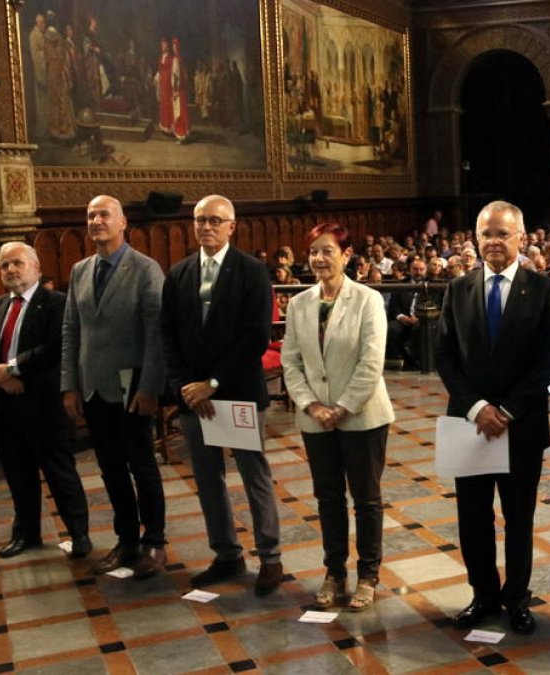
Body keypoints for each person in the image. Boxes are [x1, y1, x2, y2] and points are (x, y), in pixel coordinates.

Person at [437, 200, 550, 634]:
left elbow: (549, 363)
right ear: (476, 238)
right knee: (472, 518)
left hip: (521, 425)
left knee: (518, 519)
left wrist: (506, 410)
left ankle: (516, 599)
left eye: (502, 234)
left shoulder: (545, 290)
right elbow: (445, 358)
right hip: (468, 424)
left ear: (521, 238)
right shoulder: (458, 289)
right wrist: (477, 408)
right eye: (486, 233)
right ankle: (483, 594)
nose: (493, 241)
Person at [160, 194, 284, 596]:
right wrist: (185, 385)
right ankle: (226, 554)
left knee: (253, 474)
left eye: (215, 220)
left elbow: (254, 337)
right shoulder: (178, 274)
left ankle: (270, 556)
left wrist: (212, 383)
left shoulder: (251, 272)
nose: (207, 227)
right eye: (200, 220)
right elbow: (168, 335)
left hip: (236, 392)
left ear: (232, 226)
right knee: (207, 478)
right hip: (193, 397)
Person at [281, 222, 394, 611]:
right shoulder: (299, 304)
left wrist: (342, 407)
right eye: (313, 251)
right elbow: (290, 362)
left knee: (366, 499)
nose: (318, 258)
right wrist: (312, 406)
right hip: (316, 419)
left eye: (327, 250)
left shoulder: (367, 300)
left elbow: (371, 361)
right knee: (328, 498)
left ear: (347, 255)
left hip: (362, 416)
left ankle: (368, 574)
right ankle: (334, 571)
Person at [62, 195, 167, 579]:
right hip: (93, 386)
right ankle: (127, 540)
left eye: (104, 214)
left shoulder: (145, 269)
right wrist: (69, 385)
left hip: (132, 386)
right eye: (90, 215)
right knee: (110, 468)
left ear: (123, 223)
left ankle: (154, 541)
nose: (96, 220)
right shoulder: (80, 270)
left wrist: (151, 386)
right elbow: (71, 330)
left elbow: (156, 334)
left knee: (142, 466)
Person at [0, 242, 89, 559]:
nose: (9, 270)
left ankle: (79, 535)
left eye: (17, 263)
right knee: (18, 476)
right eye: (4, 265)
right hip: (3, 405)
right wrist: (0, 377)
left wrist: (13, 368)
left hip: (42, 404)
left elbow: (55, 347)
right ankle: (27, 533)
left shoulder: (56, 303)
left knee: (60, 474)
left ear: (35, 267)